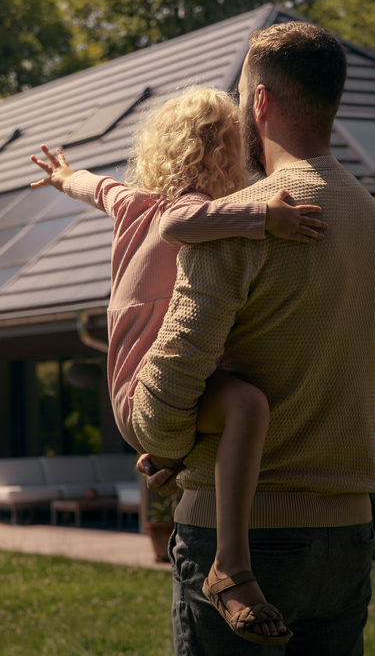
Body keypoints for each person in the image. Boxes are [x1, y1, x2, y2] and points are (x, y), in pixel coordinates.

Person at [28, 87, 328, 646]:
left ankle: (168, 460)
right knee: (247, 405)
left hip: (131, 394)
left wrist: (64, 175)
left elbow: (95, 186)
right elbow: (181, 227)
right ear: (225, 151)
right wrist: (266, 217)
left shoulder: (133, 202)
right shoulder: (178, 212)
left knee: (225, 407)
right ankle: (230, 566)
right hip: (147, 389)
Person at [132, 22, 375, 654]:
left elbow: (162, 410)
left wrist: (170, 450)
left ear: (260, 102)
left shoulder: (240, 223)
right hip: (348, 535)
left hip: (245, 545)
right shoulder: (373, 221)